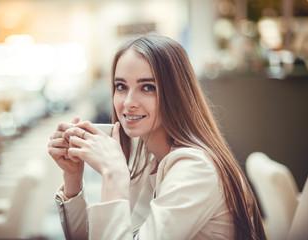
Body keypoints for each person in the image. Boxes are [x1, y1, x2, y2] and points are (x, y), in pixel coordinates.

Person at [48, 33, 266, 240]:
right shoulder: (148, 159)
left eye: (148, 87)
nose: (129, 102)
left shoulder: (195, 169)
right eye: (121, 86)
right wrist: (73, 177)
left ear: (176, 94)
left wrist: (114, 174)